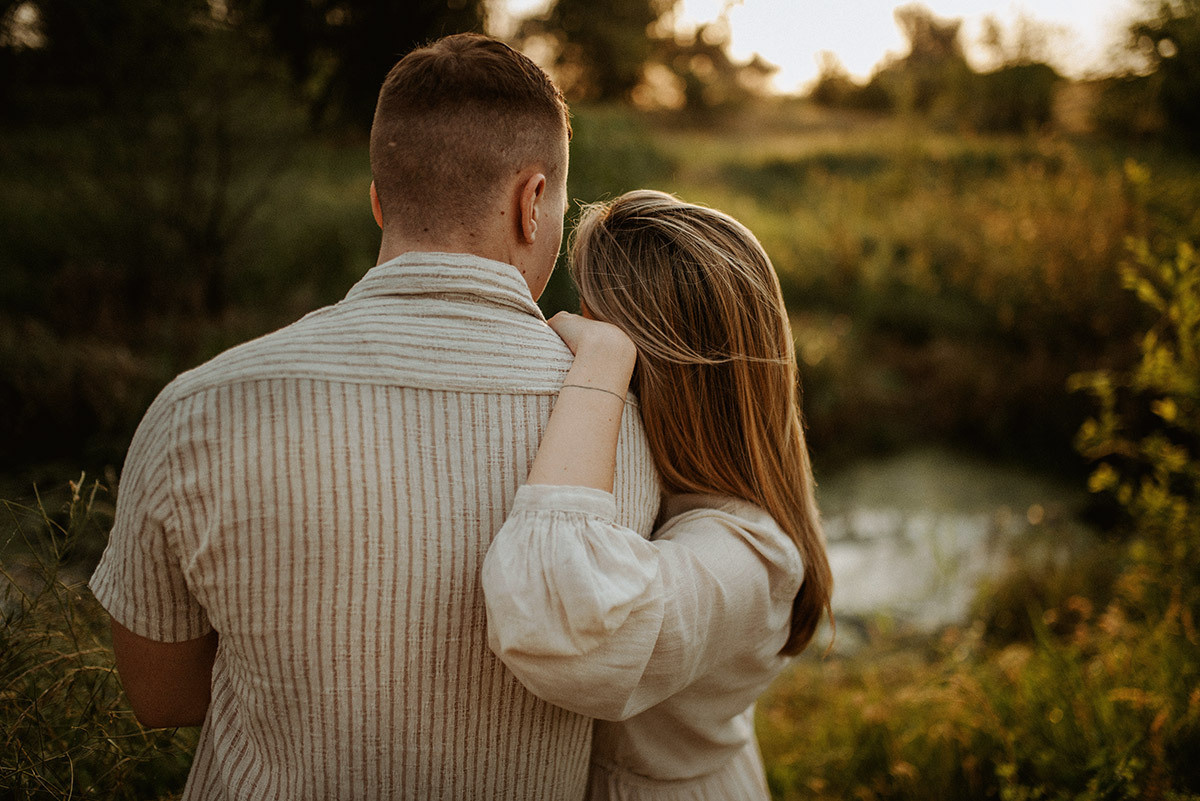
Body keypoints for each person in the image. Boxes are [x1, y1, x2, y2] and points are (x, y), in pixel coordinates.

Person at [88, 34, 660, 800]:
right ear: (532, 202)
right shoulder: (628, 424)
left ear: (379, 201)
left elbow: (162, 697)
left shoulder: (197, 408)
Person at [482, 189, 834, 800]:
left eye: (589, 320)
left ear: (665, 374)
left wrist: (601, 362)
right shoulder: (661, 486)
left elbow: (562, 624)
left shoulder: (753, 555)